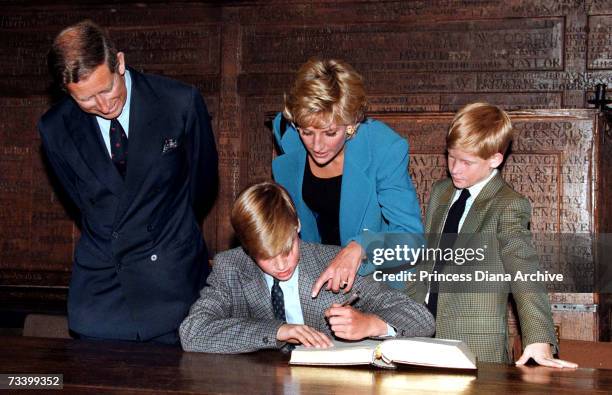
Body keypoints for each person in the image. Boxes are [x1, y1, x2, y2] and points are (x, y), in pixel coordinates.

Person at [38, 20, 218, 343]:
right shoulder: (55, 128)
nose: (104, 105)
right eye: (87, 100)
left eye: (106, 89)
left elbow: (202, 185)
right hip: (103, 289)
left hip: (171, 282)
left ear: (119, 62)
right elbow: (82, 201)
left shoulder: (179, 102)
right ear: (68, 93)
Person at [408, 103, 576, 367]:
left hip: (475, 346)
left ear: (495, 159)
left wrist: (538, 338)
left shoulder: (508, 204)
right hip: (419, 333)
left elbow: (524, 271)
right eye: (451, 156)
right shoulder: (441, 191)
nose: (455, 169)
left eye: (467, 162)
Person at [179, 182, 434, 353]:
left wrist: (371, 324)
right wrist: (278, 331)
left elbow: (422, 320)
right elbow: (192, 332)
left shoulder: (334, 264)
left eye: (287, 250)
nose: (281, 265)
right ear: (247, 248)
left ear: (297, 226)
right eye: (265, 257)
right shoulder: (231, 268)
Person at [272, 58, 423, 297]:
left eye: (330, 132)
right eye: (307, 132)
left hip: (377, 282)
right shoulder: (288, 135)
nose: (317, 145)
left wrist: (360, 247)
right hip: (315, 280)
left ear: (351, 124)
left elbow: (411, 238)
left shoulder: (383, 148)